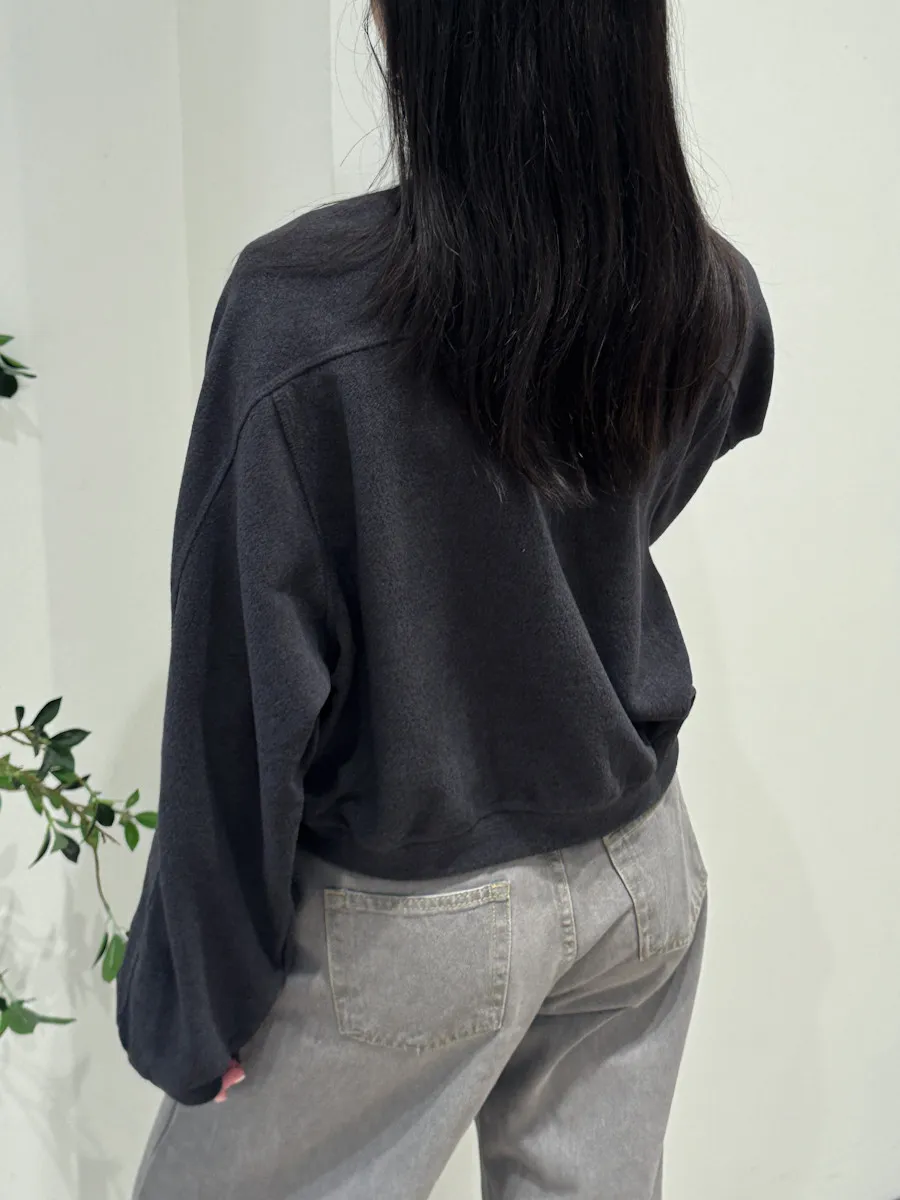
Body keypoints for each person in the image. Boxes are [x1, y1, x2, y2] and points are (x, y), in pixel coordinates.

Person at [117, 0, 775, 1196]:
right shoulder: (701, 285)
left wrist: (199, 999)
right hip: (639, 876)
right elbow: (665, 468)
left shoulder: (299, 312)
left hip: (414, 910)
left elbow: (241, 688)